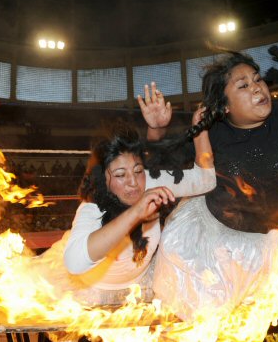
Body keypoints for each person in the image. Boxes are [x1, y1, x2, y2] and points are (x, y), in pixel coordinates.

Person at [140, 34, 278, 335]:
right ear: (224, 107)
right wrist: (156, 130)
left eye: (257, 79)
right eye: (243, 86)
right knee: (205, 329)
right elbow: (154, 166)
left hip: (269, 243)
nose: (257, 88)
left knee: (247, 327)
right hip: (208, 246)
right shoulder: (211, 130)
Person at [34, 118, 215, 307]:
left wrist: (200, 126)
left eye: (138, 171)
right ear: (102, 178)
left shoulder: (149, 183)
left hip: (141, 287)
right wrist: (135, 213)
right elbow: (74, 262)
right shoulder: (92, 207)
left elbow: (205, 180)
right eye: (120, 175)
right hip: (91, 293)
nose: (133, 182)